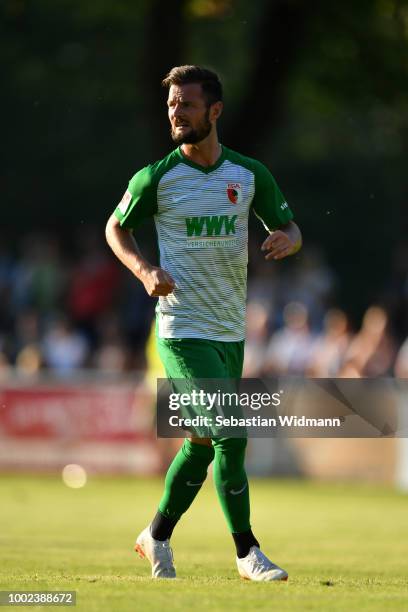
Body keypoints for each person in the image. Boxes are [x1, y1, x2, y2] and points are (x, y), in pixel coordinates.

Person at [105, 65, 302, 582]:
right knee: (231, 434)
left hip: (228, 331)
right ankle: (247, 552)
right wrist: (145, 269)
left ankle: (156, 536)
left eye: (186, 104)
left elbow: (288, 224)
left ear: (214, 111)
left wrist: (290, 239)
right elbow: (116, 227)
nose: (176, 112)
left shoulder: (249, 174)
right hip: (181, 329)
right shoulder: (157, 177)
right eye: (172, 104)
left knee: (199, 440)